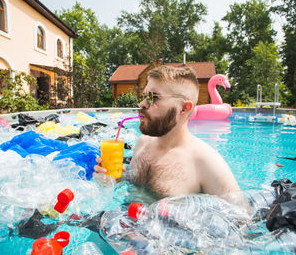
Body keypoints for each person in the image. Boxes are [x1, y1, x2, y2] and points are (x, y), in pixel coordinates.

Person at [95, 65, 242, 201]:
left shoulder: (206, 163)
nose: (142, 104)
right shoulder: (142, 143)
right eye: (144, 96)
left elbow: (243, 221)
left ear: (184, 108)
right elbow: (133, 190)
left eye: (153, 98)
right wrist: (113, 180)